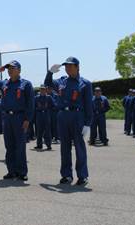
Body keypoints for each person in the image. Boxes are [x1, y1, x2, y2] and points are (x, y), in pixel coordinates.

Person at [45, 57, 92, 186]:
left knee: (79, 147)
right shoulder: (61, 81)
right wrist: (50, 72)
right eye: (66, 66)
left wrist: (88, 123)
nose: (68, 68)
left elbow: (89, 105)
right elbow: (48, 83)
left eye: (70, 66)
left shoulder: (85, 83)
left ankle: (82, 176)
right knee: (64, 147)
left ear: (78, 67)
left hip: (77, 116)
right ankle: (66, 175)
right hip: (62, 116)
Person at [0, 60, 34, 181]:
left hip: (20, 117)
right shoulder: (4, 84)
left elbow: (30, 104)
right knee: (9, 146)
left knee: (20, 146)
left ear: (19, 70)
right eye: (8, 68)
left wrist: (27, 119)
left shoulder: (26, 84)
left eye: (12, 68)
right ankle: (11, 171)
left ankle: (22, 172)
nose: (10, 70)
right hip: (7, 118)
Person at [34, 85, 54, 150]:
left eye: (44, 89)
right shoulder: (36, 98)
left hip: (46, 114)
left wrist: (48, 108)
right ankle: (39, 145)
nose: (42, 91)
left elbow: (53, 105)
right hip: (39, 114)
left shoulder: (49, 97)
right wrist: (37, 108)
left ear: (46, 90)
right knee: (39, 131)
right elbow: (33, 106)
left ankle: (48, 145)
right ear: (40, 90)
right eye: (41, 89)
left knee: (47, 130)